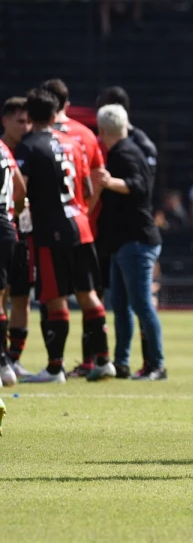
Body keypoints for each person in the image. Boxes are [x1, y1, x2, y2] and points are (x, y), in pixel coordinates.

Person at [14, 88, 110, 383]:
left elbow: (20, 192)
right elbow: (90, 190)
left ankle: (55, 367)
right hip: (81, 227)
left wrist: (19, 212)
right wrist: (79, 212)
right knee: (88, 295)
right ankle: (104, 361)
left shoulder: (28, 145)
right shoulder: (73, 143)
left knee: (54, 299)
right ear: (56, 113)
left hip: (50, 232)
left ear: (29, 116)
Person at [93, 104, 165, 380]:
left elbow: (138, 186)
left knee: (141, 305)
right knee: (121, 306)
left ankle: (156, 364)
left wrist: (110, 182)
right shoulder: (126, 150)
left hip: (136, 240)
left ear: (101, 130)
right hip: (125, 241)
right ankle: (121, 362)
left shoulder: (125, 152)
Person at [0, 98, 32, 380]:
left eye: (28, 121)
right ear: (5, 121)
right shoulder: (7, 150)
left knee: (20, 296)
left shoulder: (28, 149)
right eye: (20, 121)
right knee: (4, 294)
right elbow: (21, 190)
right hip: (10, 227)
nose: (26, 126)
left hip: (19, 233)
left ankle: (12, 359)